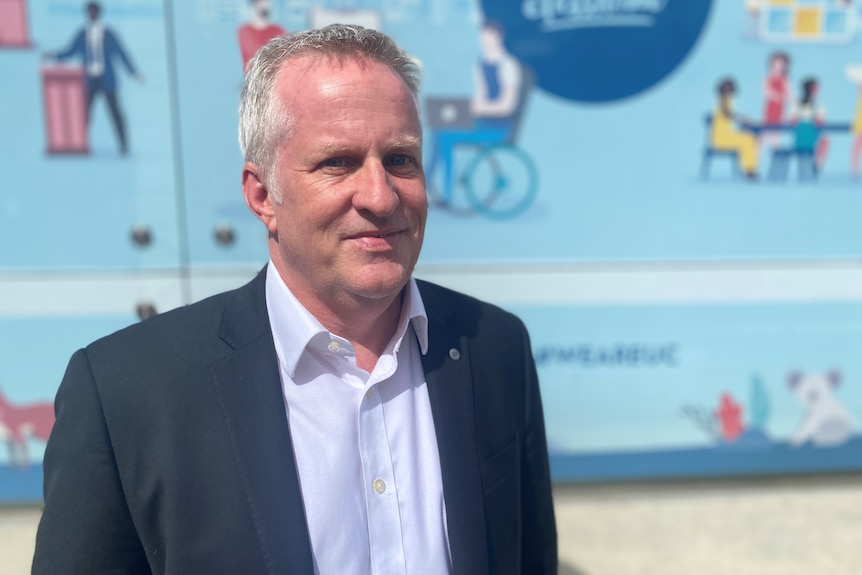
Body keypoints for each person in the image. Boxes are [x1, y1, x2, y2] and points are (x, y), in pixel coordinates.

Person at [32, 24, 557, 575]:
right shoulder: (126, 393)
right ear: (263, 196)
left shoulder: (493, 348)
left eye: (401, 160)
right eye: (338, 163)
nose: (380, 196)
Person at [427, 21, 525, 204]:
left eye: (488, 38)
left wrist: (477, 108)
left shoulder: (509, 66)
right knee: (439, 130)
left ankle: (446, 194)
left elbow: (507, 106)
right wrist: (466, 110)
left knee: (446, 138)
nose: (485, 42)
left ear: (498, 38)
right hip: (482, 122)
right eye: (483, 38)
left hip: (499, 128)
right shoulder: (480, 65)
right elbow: (481, 97)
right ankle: (429, 181)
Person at [44, 1, 143, 155]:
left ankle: (124, 146)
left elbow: (121, 54)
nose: (92, 14)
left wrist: (134, 73)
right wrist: (53, 56)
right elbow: (71, 51)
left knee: (115, 113)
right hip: (89, 80)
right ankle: (79, 144)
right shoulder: (82, 34)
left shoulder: (109, 34)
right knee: (83, 114)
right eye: (89, 11)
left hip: (108, 80)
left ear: (99, 12)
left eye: (94, 11)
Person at [710, 77, 759, 180]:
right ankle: (749, 170)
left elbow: (729, 115)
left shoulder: (728, 100)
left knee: (749, 138)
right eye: (726, 88)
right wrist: (741, 118)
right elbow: (727, 113)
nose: (728, 90)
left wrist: (740, 118)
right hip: (720, 139)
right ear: (721, 89)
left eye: (730, 88)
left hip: (726, 135)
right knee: (748, 139)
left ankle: (749, 169)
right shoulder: (723, 100)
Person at [790, 77, 829, 174]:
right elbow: (793, 121)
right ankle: (817, 164)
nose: (818, 90)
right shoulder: (798, 105)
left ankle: (817, 165)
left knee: (824, 141)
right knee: (824, 141)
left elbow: (820, 122)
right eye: (815, 88)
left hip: (810, 135)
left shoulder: (817, 105)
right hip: (802, 136)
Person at [237, 0, 286, 72]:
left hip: (274, 76)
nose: (265, 4)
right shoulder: (245, 31)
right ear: (254, 4)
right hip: (254, 77)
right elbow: (254, 54)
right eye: (261, 2)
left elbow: (285, 54)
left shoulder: (278, 30)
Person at [761, 52, 792, 149]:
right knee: (764, 131)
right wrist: (780, 97)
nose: (779, 67)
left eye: (781, 65)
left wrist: (794, 103)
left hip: (780, 108)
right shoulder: (768, 77)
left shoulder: (785, 79)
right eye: (777, 64)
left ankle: (775, 151)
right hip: (770, 107)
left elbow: (789, 93)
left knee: (776, 133)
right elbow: (767, 92)